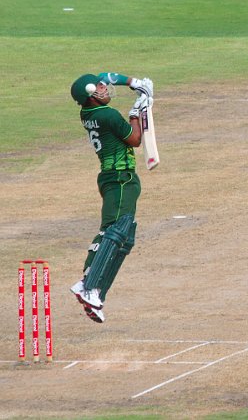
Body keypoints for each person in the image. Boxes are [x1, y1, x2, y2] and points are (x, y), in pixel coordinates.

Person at [69, 72, 153, 323]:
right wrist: (137, 111)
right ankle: (88, 284)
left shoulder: (89, 112)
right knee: (115, 230)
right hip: (120, 178)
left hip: (113, 177)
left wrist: (133, 83)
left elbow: (103, 75)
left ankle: (94, 290)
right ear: (90, 96)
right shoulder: (108, 115)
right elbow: (135, 140)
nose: (105, 89)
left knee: (124, 238)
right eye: (100, 89)